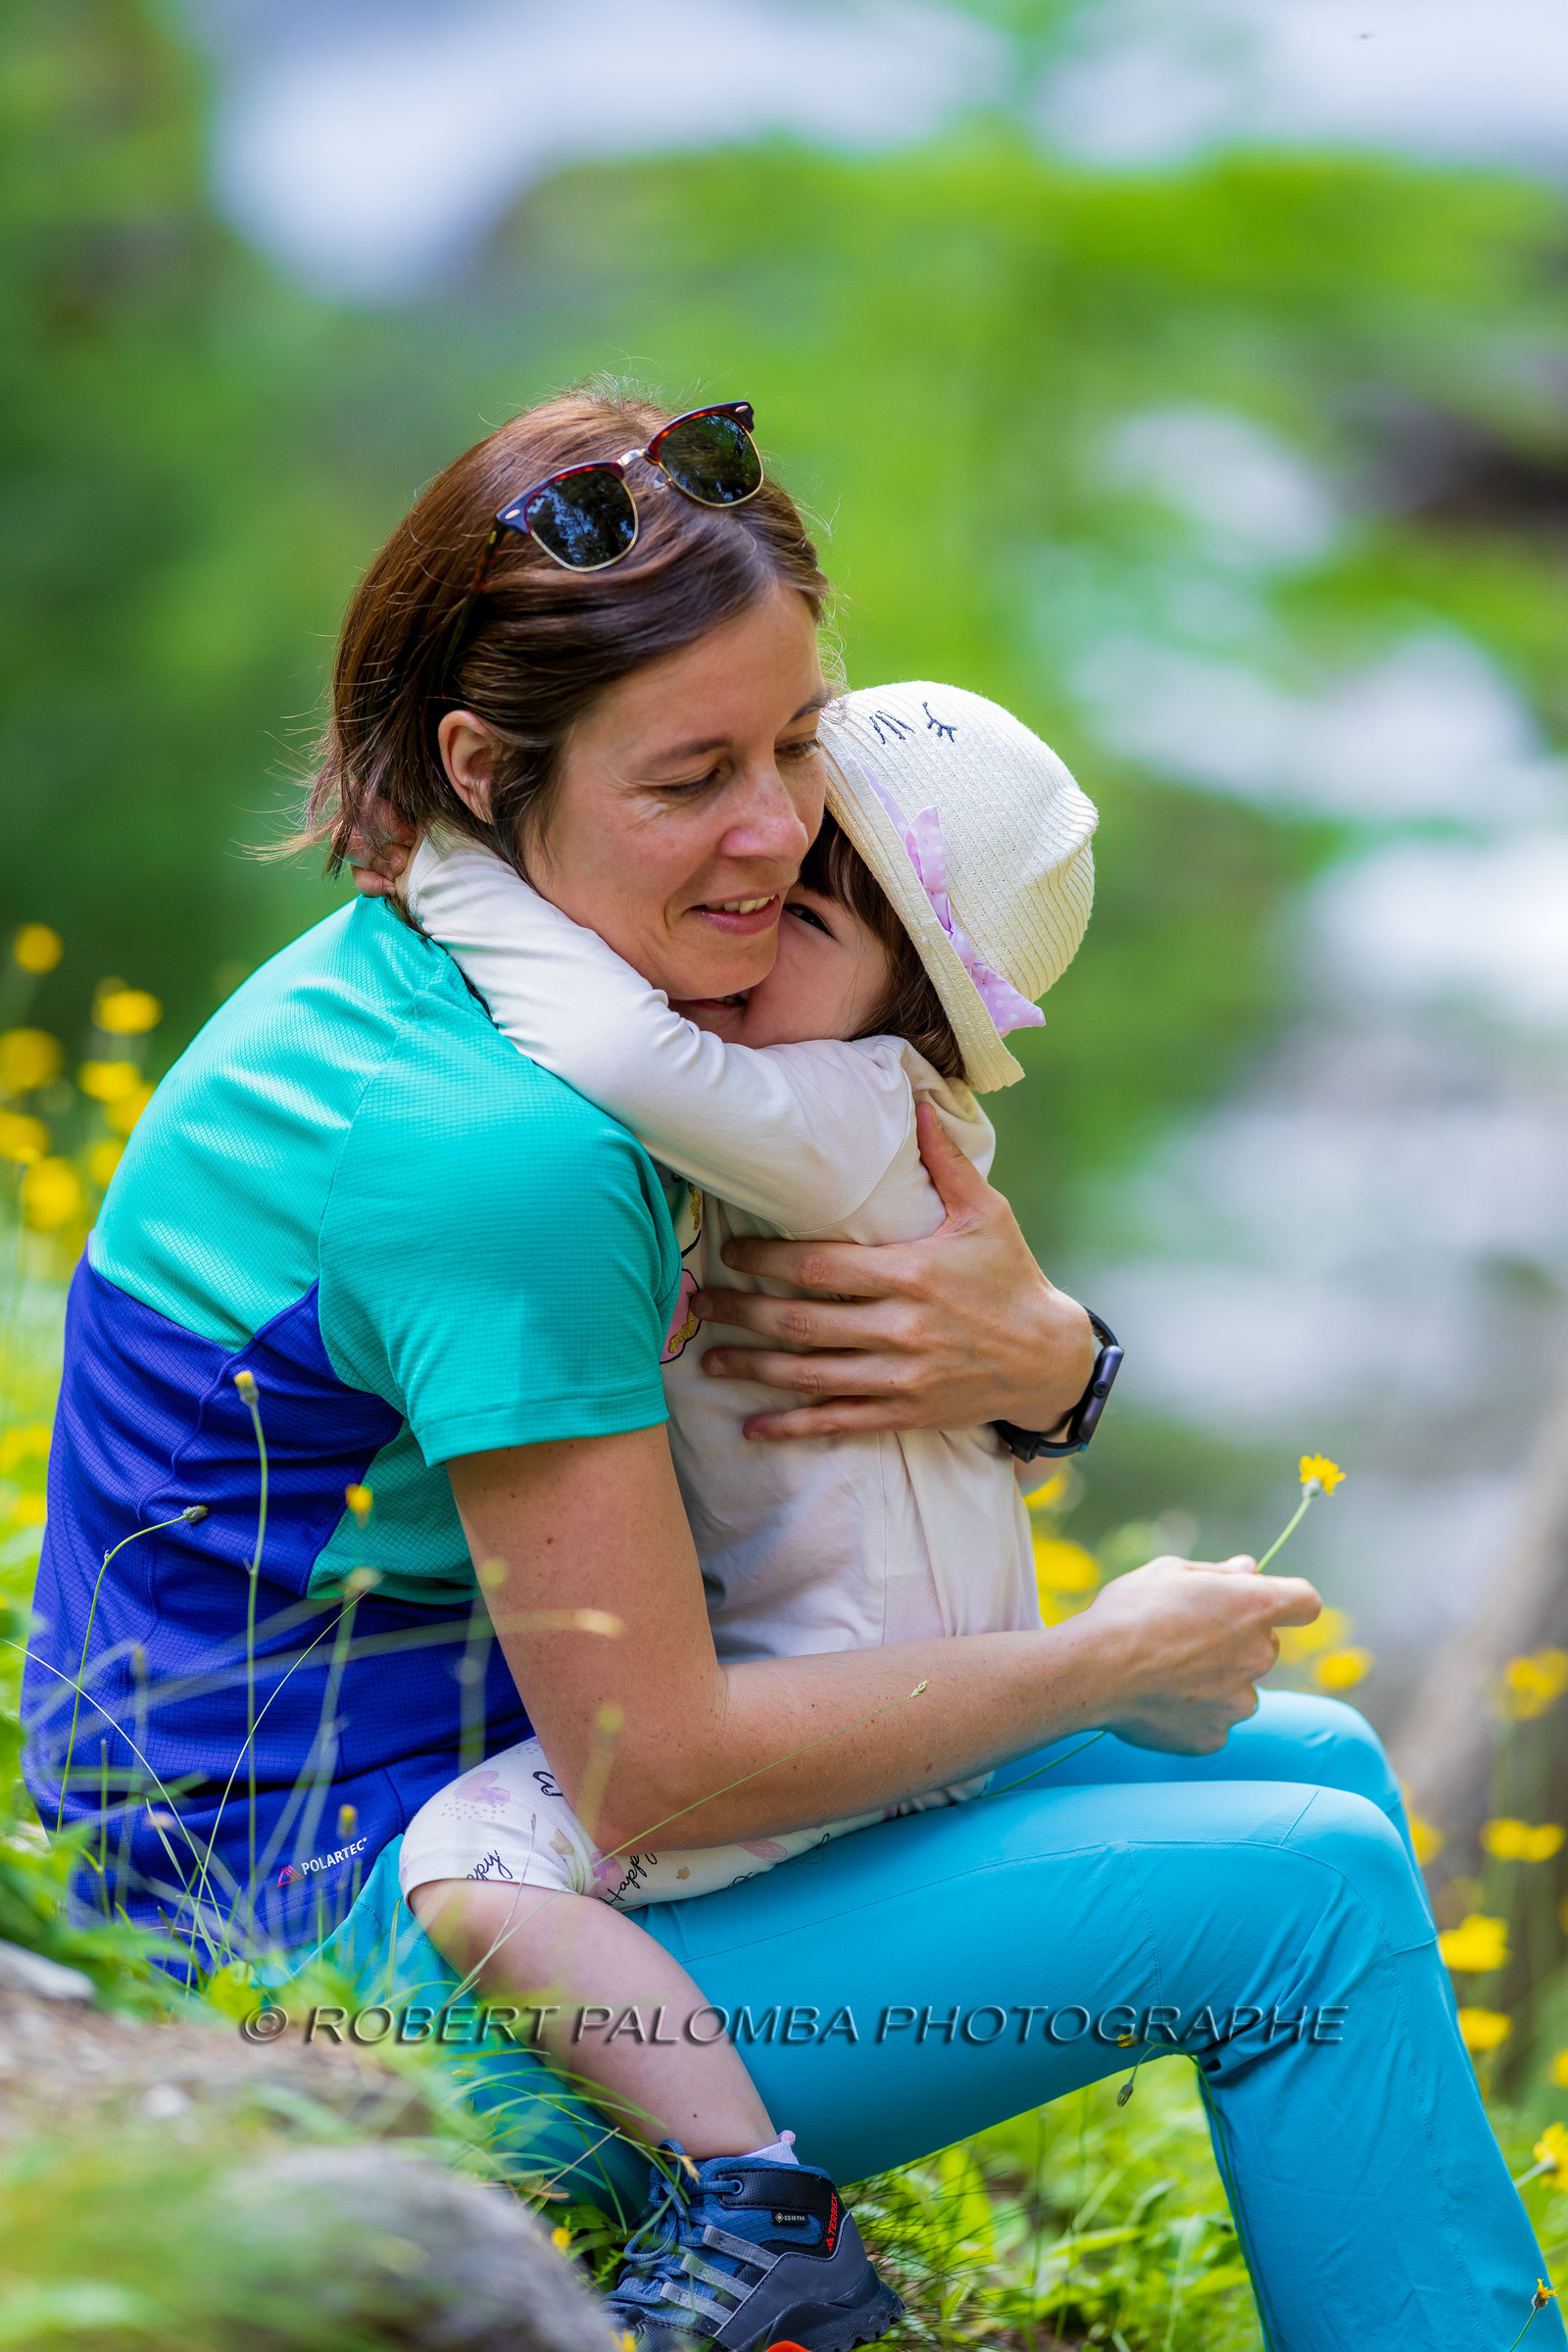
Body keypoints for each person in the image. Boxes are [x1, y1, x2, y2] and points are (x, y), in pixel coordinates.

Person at [26, 388, 1560, 2352]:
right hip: (323, 1973)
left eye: (796, 747)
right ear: (485, 766)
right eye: (689, 779)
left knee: (1318, 1768)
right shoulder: (502, 1146)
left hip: (465, 1836)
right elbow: (648, 1771)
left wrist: (1053, 1368)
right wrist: (1107, 1653)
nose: (778, 834)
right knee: (1293, 1893)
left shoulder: (451, 975)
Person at [394, 678, 1097, 2344]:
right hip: (910, 1659)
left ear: (914, 1008)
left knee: (479, 1862)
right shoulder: (818, 1117)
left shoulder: (848, 1116)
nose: (745, 916)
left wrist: (449, 863)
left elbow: (608, 1043)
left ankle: (761, 2198)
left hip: (871, 1692)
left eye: (800, 918)